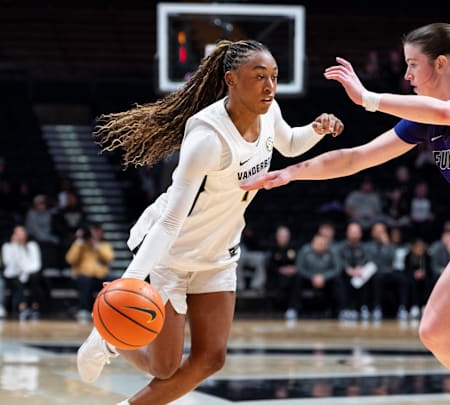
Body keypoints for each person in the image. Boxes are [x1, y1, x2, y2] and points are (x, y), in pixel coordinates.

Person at [242, 22, 450, 405]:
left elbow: (447, 112)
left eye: (412, 64)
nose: (406, 75)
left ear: (440, 63)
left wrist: (369, 99)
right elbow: (358, 157)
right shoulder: (427, 120)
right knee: (436, 331)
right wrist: (292, 172)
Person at [75, 39, 344, 405]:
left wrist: (316, 128)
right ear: (231, 79)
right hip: (173, 251)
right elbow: (169, 224)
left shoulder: (269, 111)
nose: (269, 86)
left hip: (218, 253)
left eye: (274, 77)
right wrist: (128, 285)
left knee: (211, 357)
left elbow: (290, 144)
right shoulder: (207, 138)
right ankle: (108, 337)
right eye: (259, 76)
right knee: (164, 368)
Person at [65, 223, 115, 322]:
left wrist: (97, 246)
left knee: (112, 281)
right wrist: (79, 242)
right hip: (82, 277)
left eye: (98, 231)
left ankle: (109, 309)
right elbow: (70, 259)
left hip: (99, 277)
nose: (95, 234)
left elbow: (109, 258)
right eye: (93, 231)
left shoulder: (103, 245)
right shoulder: (80, 245)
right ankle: (83, 310)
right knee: (85, 280)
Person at [2, 224, 43, 320]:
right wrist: (15, 246)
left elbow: (36, 264)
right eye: (17, 233)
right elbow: (9, 265)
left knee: (35, 278)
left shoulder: (32, 245)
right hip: (12, 274)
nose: (20, 235)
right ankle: (18, 309)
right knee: (17, 284)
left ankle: (34, 307)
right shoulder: (8, 247)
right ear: (13, 235)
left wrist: (24, 270)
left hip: (29, 272)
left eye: (22, 233)